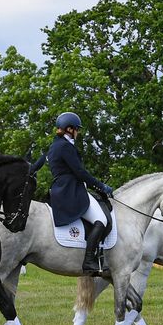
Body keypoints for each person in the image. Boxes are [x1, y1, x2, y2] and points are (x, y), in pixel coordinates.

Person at [48, 112, 113, 275]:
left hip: (60, 188)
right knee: (101, 219)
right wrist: (101, 186)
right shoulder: (65, 146)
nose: (78, 133)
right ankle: (89, 260)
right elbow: (80, 172)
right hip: (71, 190)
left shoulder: (55, 145)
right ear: (69, 129)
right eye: (76, 129)